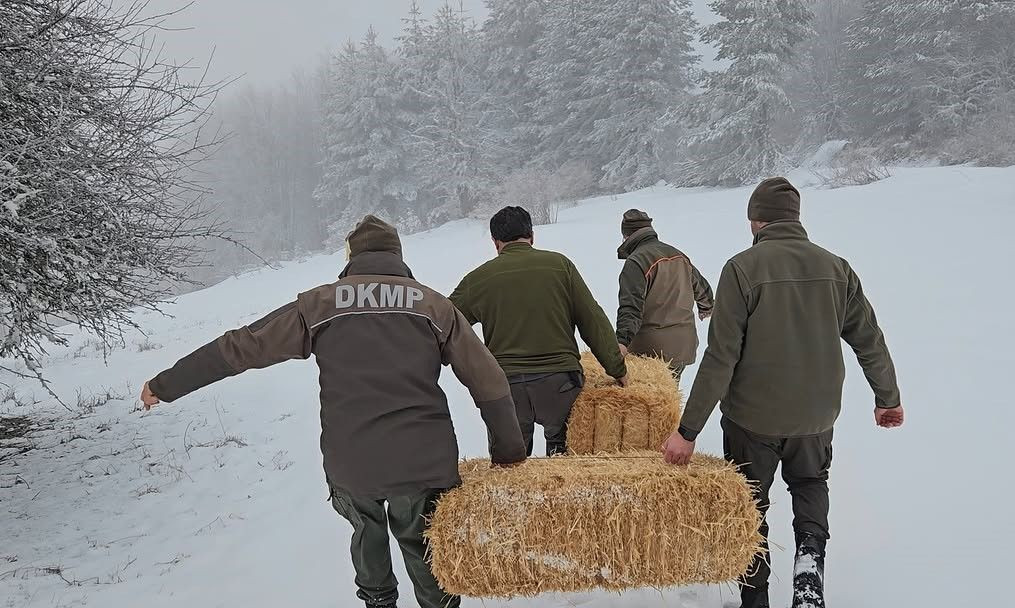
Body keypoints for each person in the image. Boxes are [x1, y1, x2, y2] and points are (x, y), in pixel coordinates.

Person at [139, 216, 527, 608]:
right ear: (397, 255)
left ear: (352, 257)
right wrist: (509, 451)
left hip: (353, 461)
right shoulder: (433, 306)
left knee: (366, 531)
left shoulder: (320, 305)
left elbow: (241, 346)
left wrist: (166, 384)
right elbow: (488, 381)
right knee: (427, 542)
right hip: (423, 461)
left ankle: (378, 602)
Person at [662, 178, 904, 608]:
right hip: (815, 416)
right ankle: (808, 570)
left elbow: (721, 357)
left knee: (750, 504)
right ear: (796, 219)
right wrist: (888, 398)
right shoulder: (837, 267)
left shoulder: (742, 269)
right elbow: (869, 338)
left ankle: (755, 600)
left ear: (755, 220)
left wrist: (687, 429)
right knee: (811, 483)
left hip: (752, 419)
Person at [450, 206, 627, 456]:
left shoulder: (478, 279)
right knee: (562, 463)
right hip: (560, 384)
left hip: (506, 387)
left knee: (510, 468)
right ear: (531, 235)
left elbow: (446, 324)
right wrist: (616, 367)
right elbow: (592, 319)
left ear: (495, 241)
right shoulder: (560, 266)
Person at [616, 209, 714, 379]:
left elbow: (631, 308)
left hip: (651, 352)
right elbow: (702, 287)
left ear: (627, 236)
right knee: (667, 400)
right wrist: (706, 307)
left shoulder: (636, 262)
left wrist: (622, 342)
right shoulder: (678, 255)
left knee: (647, 403)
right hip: (683, 347)